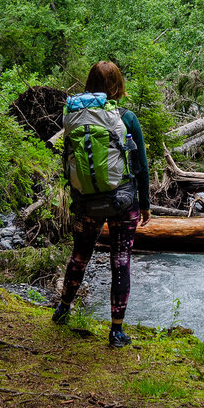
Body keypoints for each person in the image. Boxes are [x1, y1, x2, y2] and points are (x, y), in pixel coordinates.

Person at [51, 60, 151, 348]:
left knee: (80, 255)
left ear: (89, 83)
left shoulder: (73, 117)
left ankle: (63, 309)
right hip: (122, 200)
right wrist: (144, 204)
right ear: (118, 85)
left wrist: (77, 197)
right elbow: (140, 165)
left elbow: (68, 161)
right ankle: (116, 331)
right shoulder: (126, 118)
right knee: (120, 262)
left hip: (86, 201)